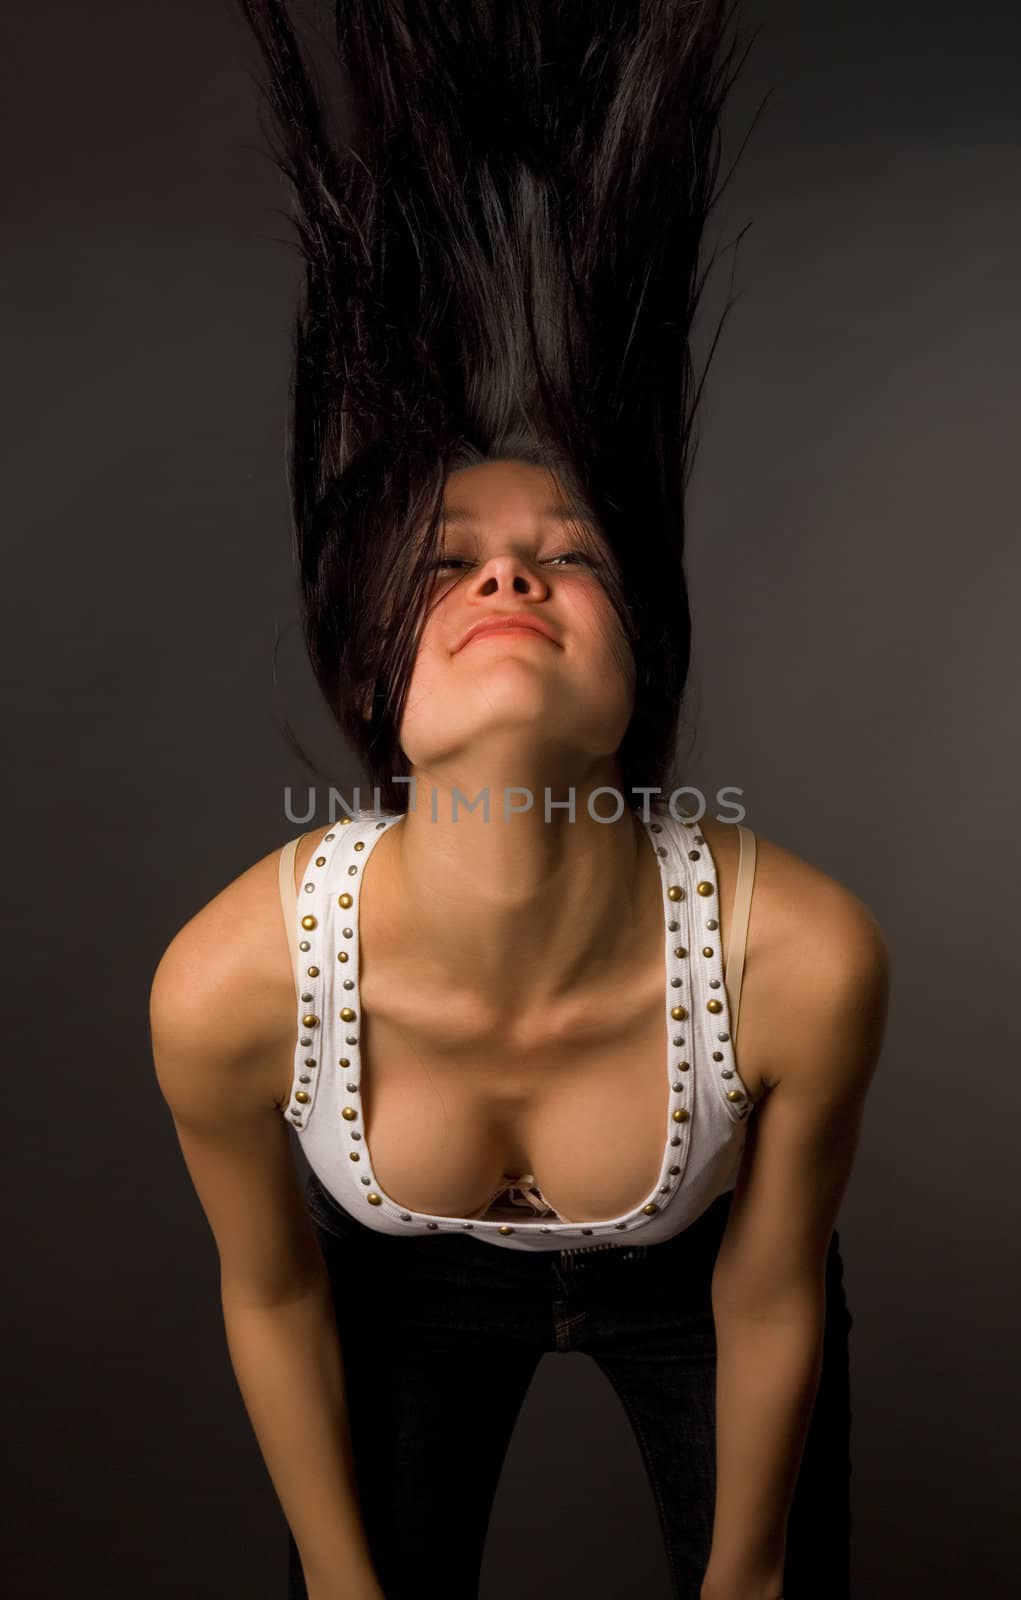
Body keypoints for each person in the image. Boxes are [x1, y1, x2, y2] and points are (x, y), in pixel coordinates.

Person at [149, 4, 890, 1598]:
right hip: (399, 1297)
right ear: (371, 683)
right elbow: (272, 1299)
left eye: (568, 555)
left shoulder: (802, 960)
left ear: (645, 671)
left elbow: (767, 1300)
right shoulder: (231, 986)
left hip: (702, 1295)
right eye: (446, 565)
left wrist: (745, 1580)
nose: (506, 570)